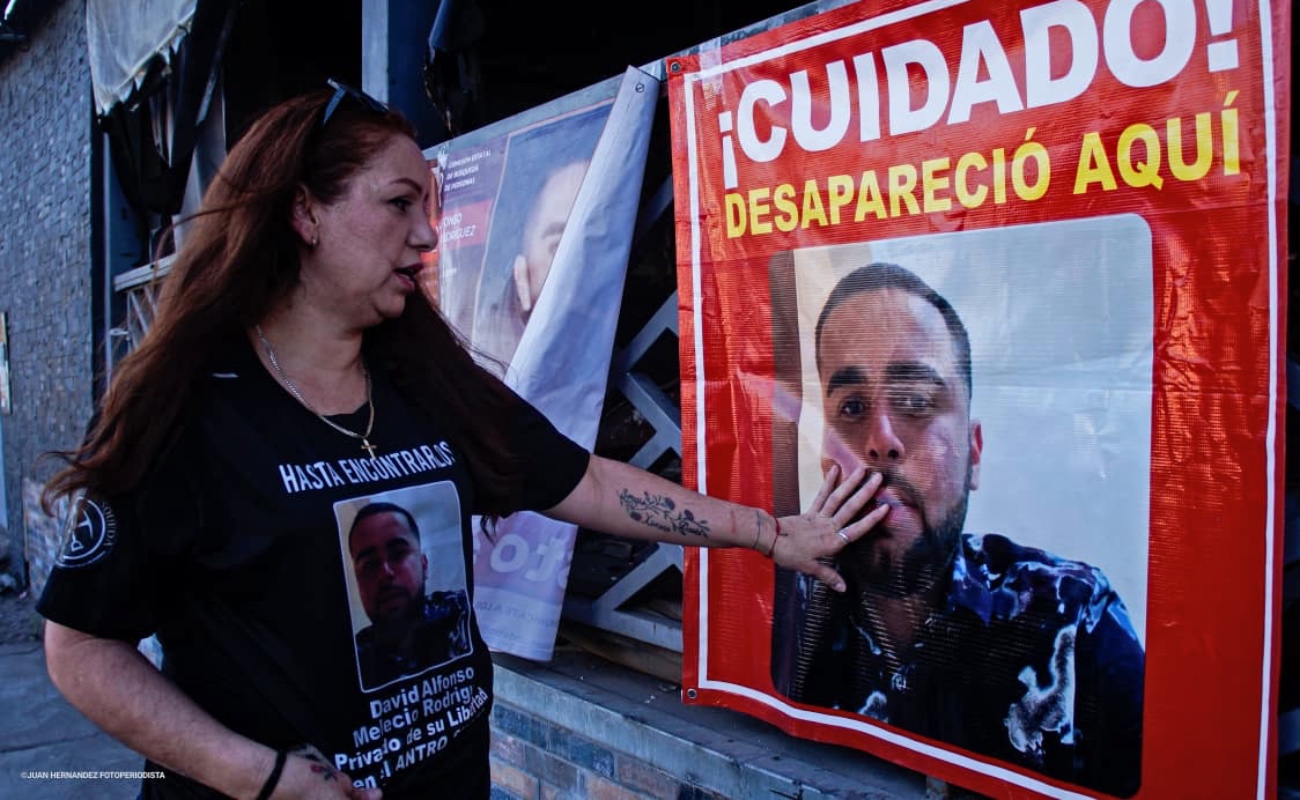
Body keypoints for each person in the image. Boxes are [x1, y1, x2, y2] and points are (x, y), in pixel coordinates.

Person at [35, 80, 884, 800]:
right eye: (399, 203)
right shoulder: (191, 411)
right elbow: (80, 647)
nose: (428, 235)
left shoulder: (426, 383)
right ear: (304, 211)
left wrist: (769, 533)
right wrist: (259, 777)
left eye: (431, 208)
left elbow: (586, 483)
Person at [770, 262, 1145, 797]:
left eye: (917, 403)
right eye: (851, 407)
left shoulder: (1075, 618)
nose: (880, 441)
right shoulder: (782, 606)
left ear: (974, 454)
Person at [471, 158, 588, 369]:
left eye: (601, 240)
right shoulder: (487, 362)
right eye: (559, 246)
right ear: (521, 274)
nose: (583, 264)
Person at [347, 502, 471, 689]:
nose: (385, 573)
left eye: (397, 554)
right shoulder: (352, 659)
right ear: (358, 583)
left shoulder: (457, 612)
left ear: (424, 565)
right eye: (370, 565)